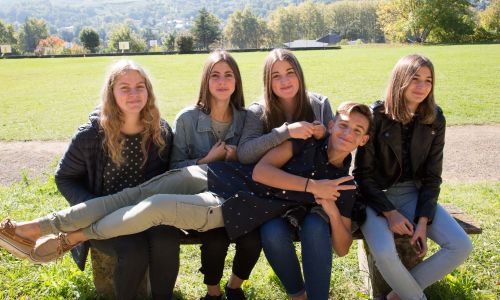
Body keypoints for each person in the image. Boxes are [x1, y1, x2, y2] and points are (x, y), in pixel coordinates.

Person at [0, 102, 371, 299]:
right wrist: (311, 187)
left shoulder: (345, 185)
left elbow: (341, 247)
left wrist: (329, 208)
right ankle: (35, 227)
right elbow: (261, 172)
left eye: (356, 131)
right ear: (332, 122)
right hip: (215, 174)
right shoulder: (304, 140)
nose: (346, 133)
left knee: (156, 207)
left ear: (363, 140)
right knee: (133, 194)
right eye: (342, 124)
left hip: (230, 206)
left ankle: (74, 238)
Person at [4, 59, 181, 300]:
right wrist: (91, 208)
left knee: (167, 239)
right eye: (125, 87)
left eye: (140, 86)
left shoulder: (160, 131)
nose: (134, 93)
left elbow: (163, 178)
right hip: (103, 217)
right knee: (133, 250)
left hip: (147, 212)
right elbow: (64, 177)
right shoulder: (91, 134)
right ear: (112, 93)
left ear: (148, 91)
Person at [353, 54, 473, 300]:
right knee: (385, 252)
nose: (422, 86)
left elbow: (432, 177)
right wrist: (390, 212)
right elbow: (362, 175)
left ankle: (398, 295)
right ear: (400, 80)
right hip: (375, 198)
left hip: (413, 195)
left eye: (428, 80)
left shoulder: (435, 119)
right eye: (415, 78)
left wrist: (422, 222)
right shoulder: (375, 116)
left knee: (461, 245)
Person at [236, 48, 337, 299]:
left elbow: (338, 153)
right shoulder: (258, 111)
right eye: (276, 76)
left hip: (315, 196)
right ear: (267, 82)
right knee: (272, 233)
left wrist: (325, 134)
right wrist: (285, 132)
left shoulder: (320, 104)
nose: (285, 81)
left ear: (299, 74)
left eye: (290, 72)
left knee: (315, 228)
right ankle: (297, 294)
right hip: (275, 197)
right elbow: (245, 153)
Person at [169, 50, 261, 300]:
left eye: (228, 75)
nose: (222, 82)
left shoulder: (247, 119)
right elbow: (173, 168)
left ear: (236, 81)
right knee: (215, 242)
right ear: (206, 81)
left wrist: (236, 157)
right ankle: (213, 293)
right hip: (202, 201)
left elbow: (257, 163)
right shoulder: (187, 119)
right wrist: (206, 160)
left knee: (252, 241)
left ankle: (234, 287)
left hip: (239, 198)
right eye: (215, 75)